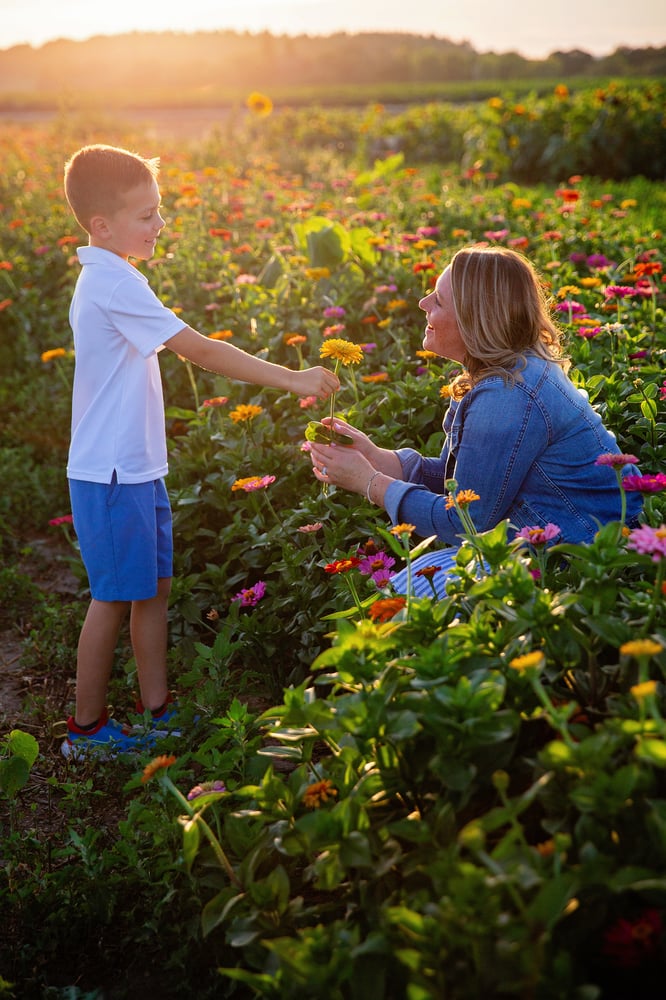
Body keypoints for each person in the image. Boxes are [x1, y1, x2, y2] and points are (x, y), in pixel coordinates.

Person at [60, 143, 339, 760]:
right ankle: (86, 732)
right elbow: (201, 349)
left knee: (152, 588)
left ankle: (157, 713)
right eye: (146, 215)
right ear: (103, 226)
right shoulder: (111, 283)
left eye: (159, 211)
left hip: (135, 468)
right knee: (111, 596)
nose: (160, 224)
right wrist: (291, 378)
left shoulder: (116, 274)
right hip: (111, 474)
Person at [308, 245, 642, 598]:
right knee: (408, 590)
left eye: (437, 300)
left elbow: (466, 522)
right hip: (569, 534)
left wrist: (369, 483)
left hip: (584, 555)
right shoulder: (509, 372)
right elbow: (468, 486)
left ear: (474, 319)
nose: (422, 304)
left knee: (405, 596)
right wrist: (378, 458)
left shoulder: (506, 396)